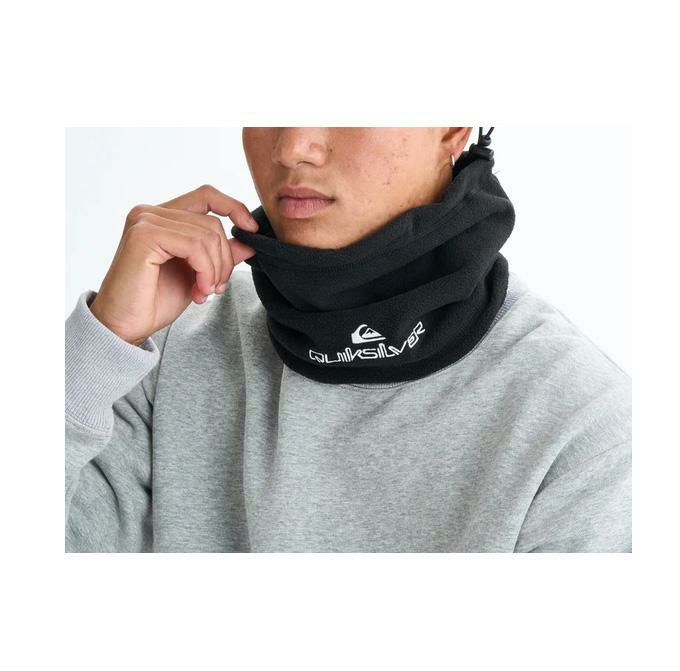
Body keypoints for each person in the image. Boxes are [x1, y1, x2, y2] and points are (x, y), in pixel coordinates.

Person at [65, 127, 631, 552]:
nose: (292, 146)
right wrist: (102, 342)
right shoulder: (158, 357)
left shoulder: (581, 430)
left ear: (455, 126)